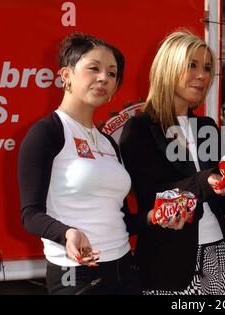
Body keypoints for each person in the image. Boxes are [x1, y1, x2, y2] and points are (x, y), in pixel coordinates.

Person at [119, 30, 225, 295]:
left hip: (221, 255)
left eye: (208, 68)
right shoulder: (140, 128)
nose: (203, 75)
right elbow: (154, 194)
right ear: (168, 67)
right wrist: (208, 180)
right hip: (168, 264)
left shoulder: (206, 127)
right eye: (192, 65)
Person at [18, 33, 140, 294]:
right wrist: (67, 233)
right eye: (94, 68)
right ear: (66, 75)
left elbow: (122, 219)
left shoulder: (107, 142)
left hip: (124, 267)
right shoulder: (46, 132)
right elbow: (30, 215)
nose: (103, 78)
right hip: (76, 273)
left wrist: (156, 216)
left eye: (112, 73)